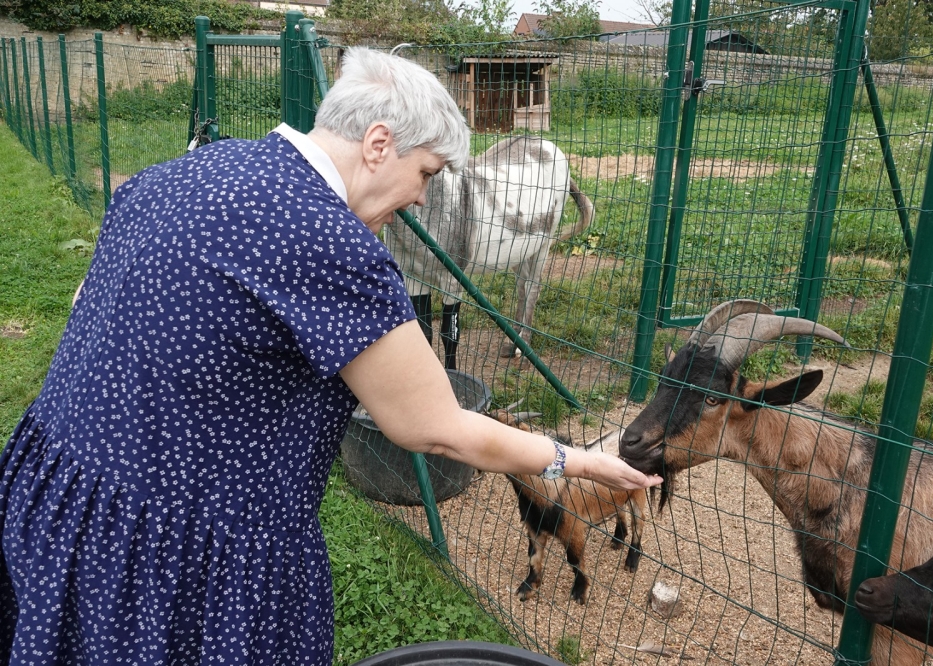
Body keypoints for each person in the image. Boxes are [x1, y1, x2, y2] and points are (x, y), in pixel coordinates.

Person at [0, 47, 660, 665]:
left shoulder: (172, 175)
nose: (423, 197)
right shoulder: (329, 241)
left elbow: (90, 299)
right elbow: (433, 425)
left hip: (58, 498)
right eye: (425, 172)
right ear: (378, 144)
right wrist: (574, 460)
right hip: (186, 554)